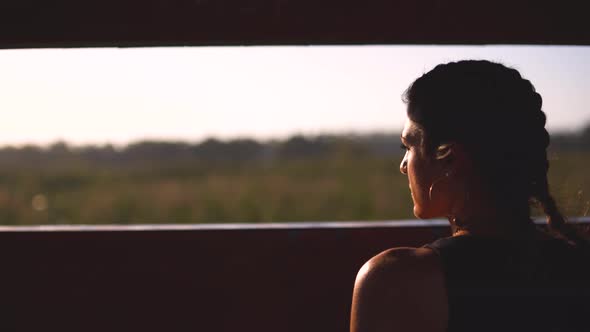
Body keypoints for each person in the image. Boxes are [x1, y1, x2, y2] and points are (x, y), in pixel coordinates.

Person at [350, 60, 590, 332]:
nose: (403, 165)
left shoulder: (394, 281)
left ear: (451, 160)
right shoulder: (579, 265)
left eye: (409, 146)